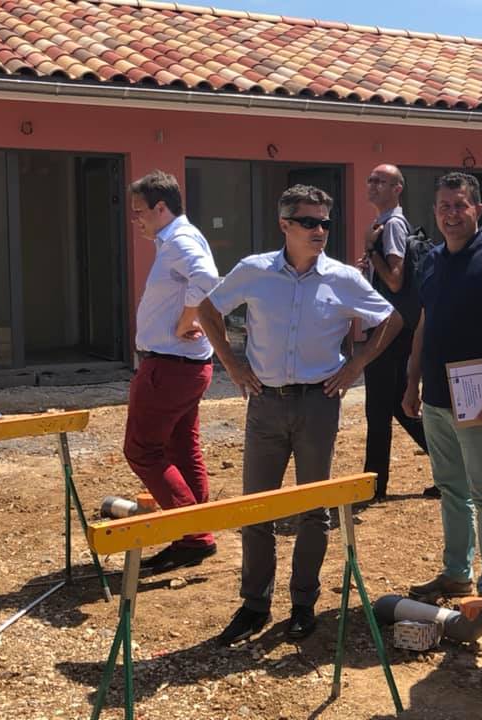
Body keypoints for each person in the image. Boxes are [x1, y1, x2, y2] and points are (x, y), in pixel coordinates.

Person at [198, 184, 402, 645]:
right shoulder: (254, 271)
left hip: (317, 404)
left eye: (326, 223)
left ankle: (303, 605)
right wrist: (232, 363)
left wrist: (355, 367)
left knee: (313, 512)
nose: (320, 231)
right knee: (257, 508)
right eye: (309, 222)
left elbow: (391, 318)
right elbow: (208, 309)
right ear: (285, 224)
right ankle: (254, 605)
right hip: (265, 403)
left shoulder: (342, 278)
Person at [403, 171, 482, 619]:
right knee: (452, 488)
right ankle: (457, 572)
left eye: (459, 205)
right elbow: (423, 324)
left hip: (478, 394)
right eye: (444, 207)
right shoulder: (432, 260)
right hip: (436, 393)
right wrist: (411, 379)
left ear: (477, 208)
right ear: (435, 212)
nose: (451, 214)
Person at [124, 170, 220, 572]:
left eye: (140, 212)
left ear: (161, 208)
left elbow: (207, 278)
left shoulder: (179, 239)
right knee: (182, 447)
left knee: (142, 450)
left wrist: (186, 319)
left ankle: (193, 534)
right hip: (185, 365)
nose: (137, 220)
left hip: (170, 367)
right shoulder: (180, 237)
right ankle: (197, 533)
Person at [355, 164, 431, 501]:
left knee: (379, 410)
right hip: (394, 326)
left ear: (397, 188)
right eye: (370, 180)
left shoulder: (392, 225)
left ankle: (374, 485)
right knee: (400, 405)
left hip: (390, 328)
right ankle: (452, 468)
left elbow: (396, 279)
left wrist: (372, 251)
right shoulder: (386, 224)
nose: (372, 185)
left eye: (380, 181)